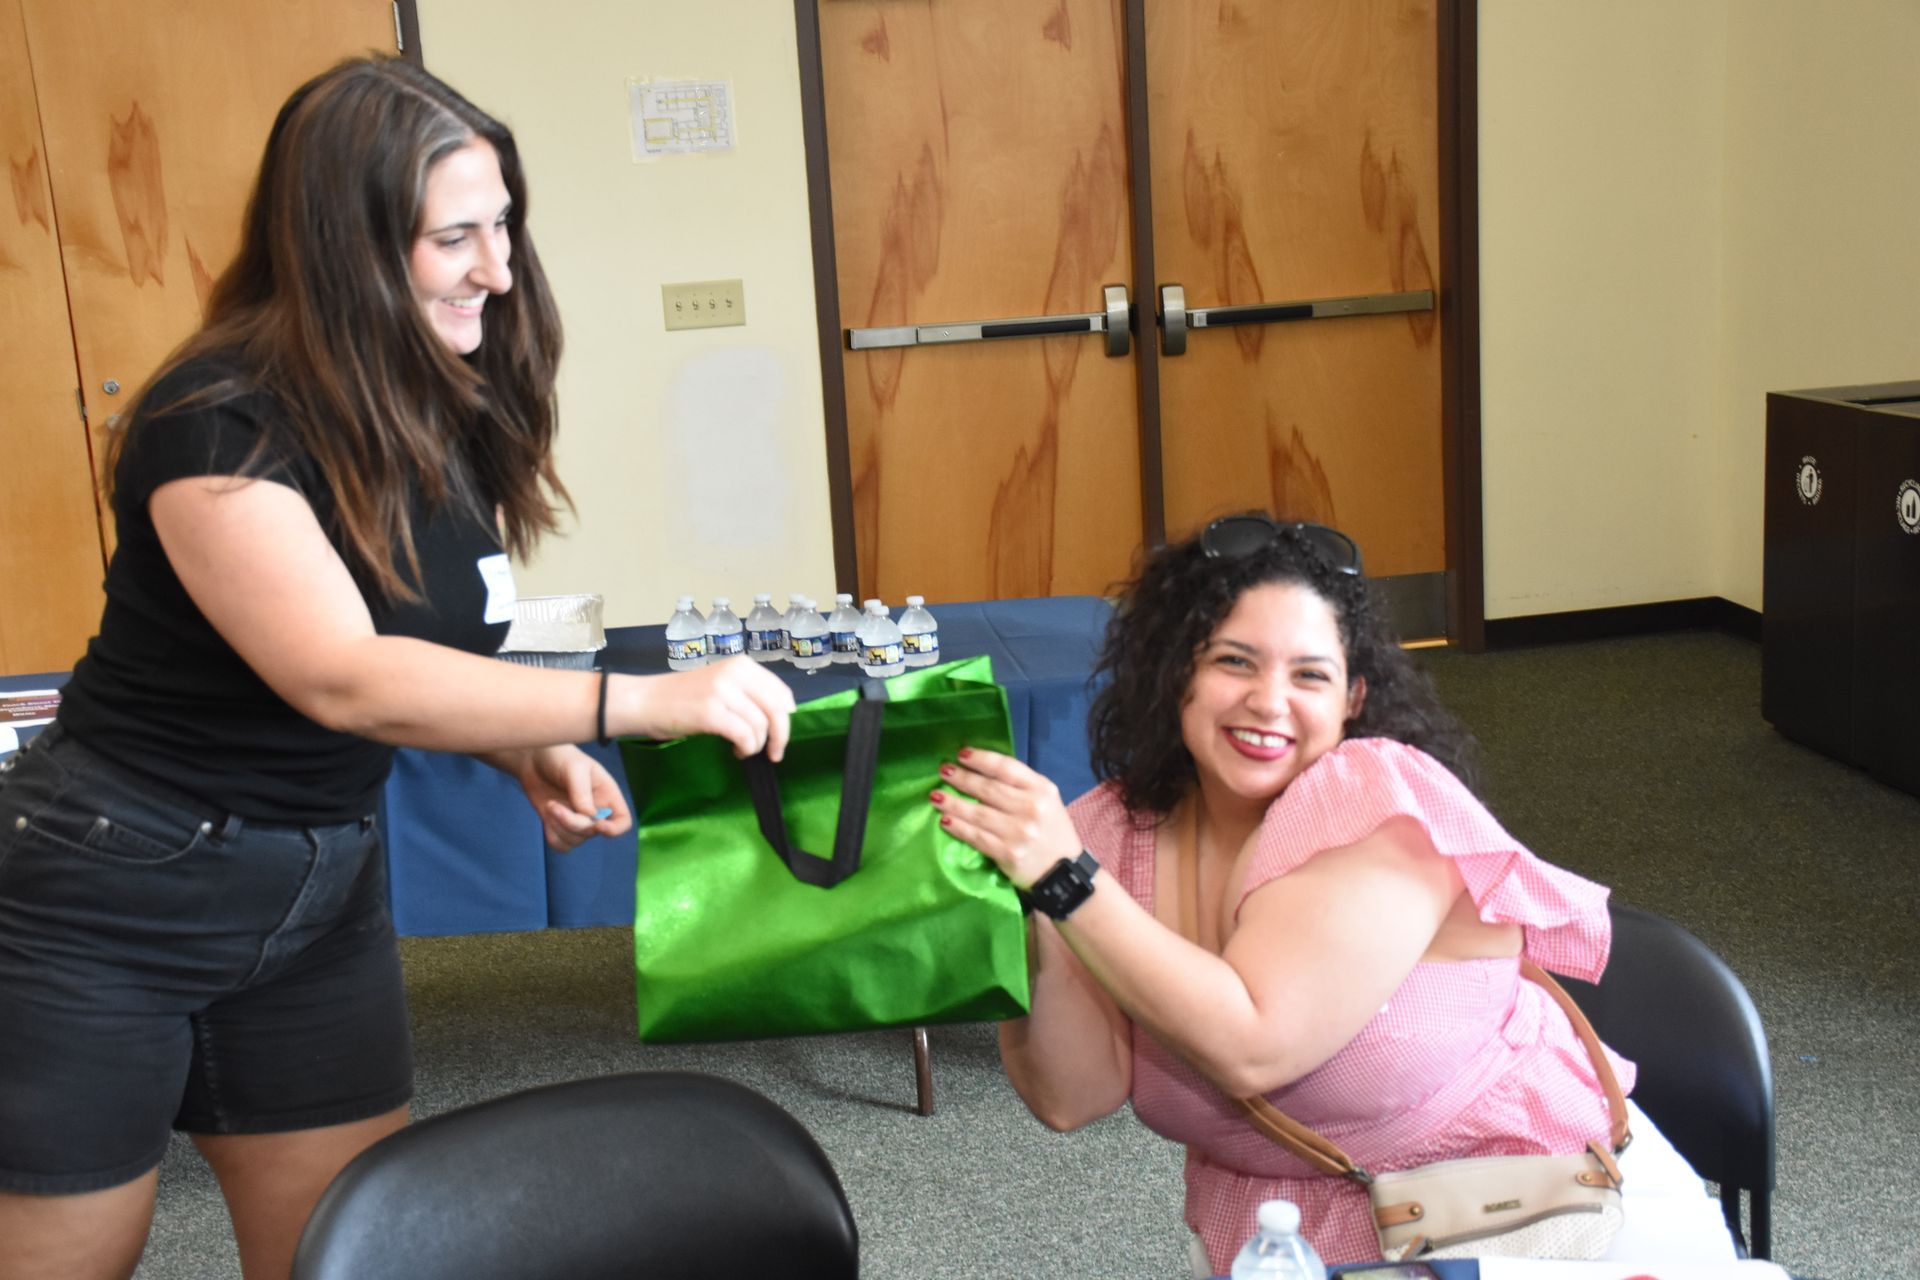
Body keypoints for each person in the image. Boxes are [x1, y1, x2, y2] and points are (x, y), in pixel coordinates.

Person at [0, 57, 793, 1280]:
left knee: (349, 1255)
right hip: (111, 888)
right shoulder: (214, 420)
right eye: (456, 236)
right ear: (347, 247)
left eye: (505, 224)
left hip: (317, 885)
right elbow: (341, 674)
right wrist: (634, 700)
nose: (499, 266)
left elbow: (414, 637)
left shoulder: (427, 395)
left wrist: (514, 736)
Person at [929, 515, 1733, 1275]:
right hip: (1277, 1240)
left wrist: (1069, 882)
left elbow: (1252, 1042)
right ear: (1176, 672)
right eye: (1233, 661)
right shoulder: (1110, 829)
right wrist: (1032, 901)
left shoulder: (1376, 799)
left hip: (1527, 1223)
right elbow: (1073, 1096)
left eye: (1309, 675)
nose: (1269, 702)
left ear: (1353, 698)